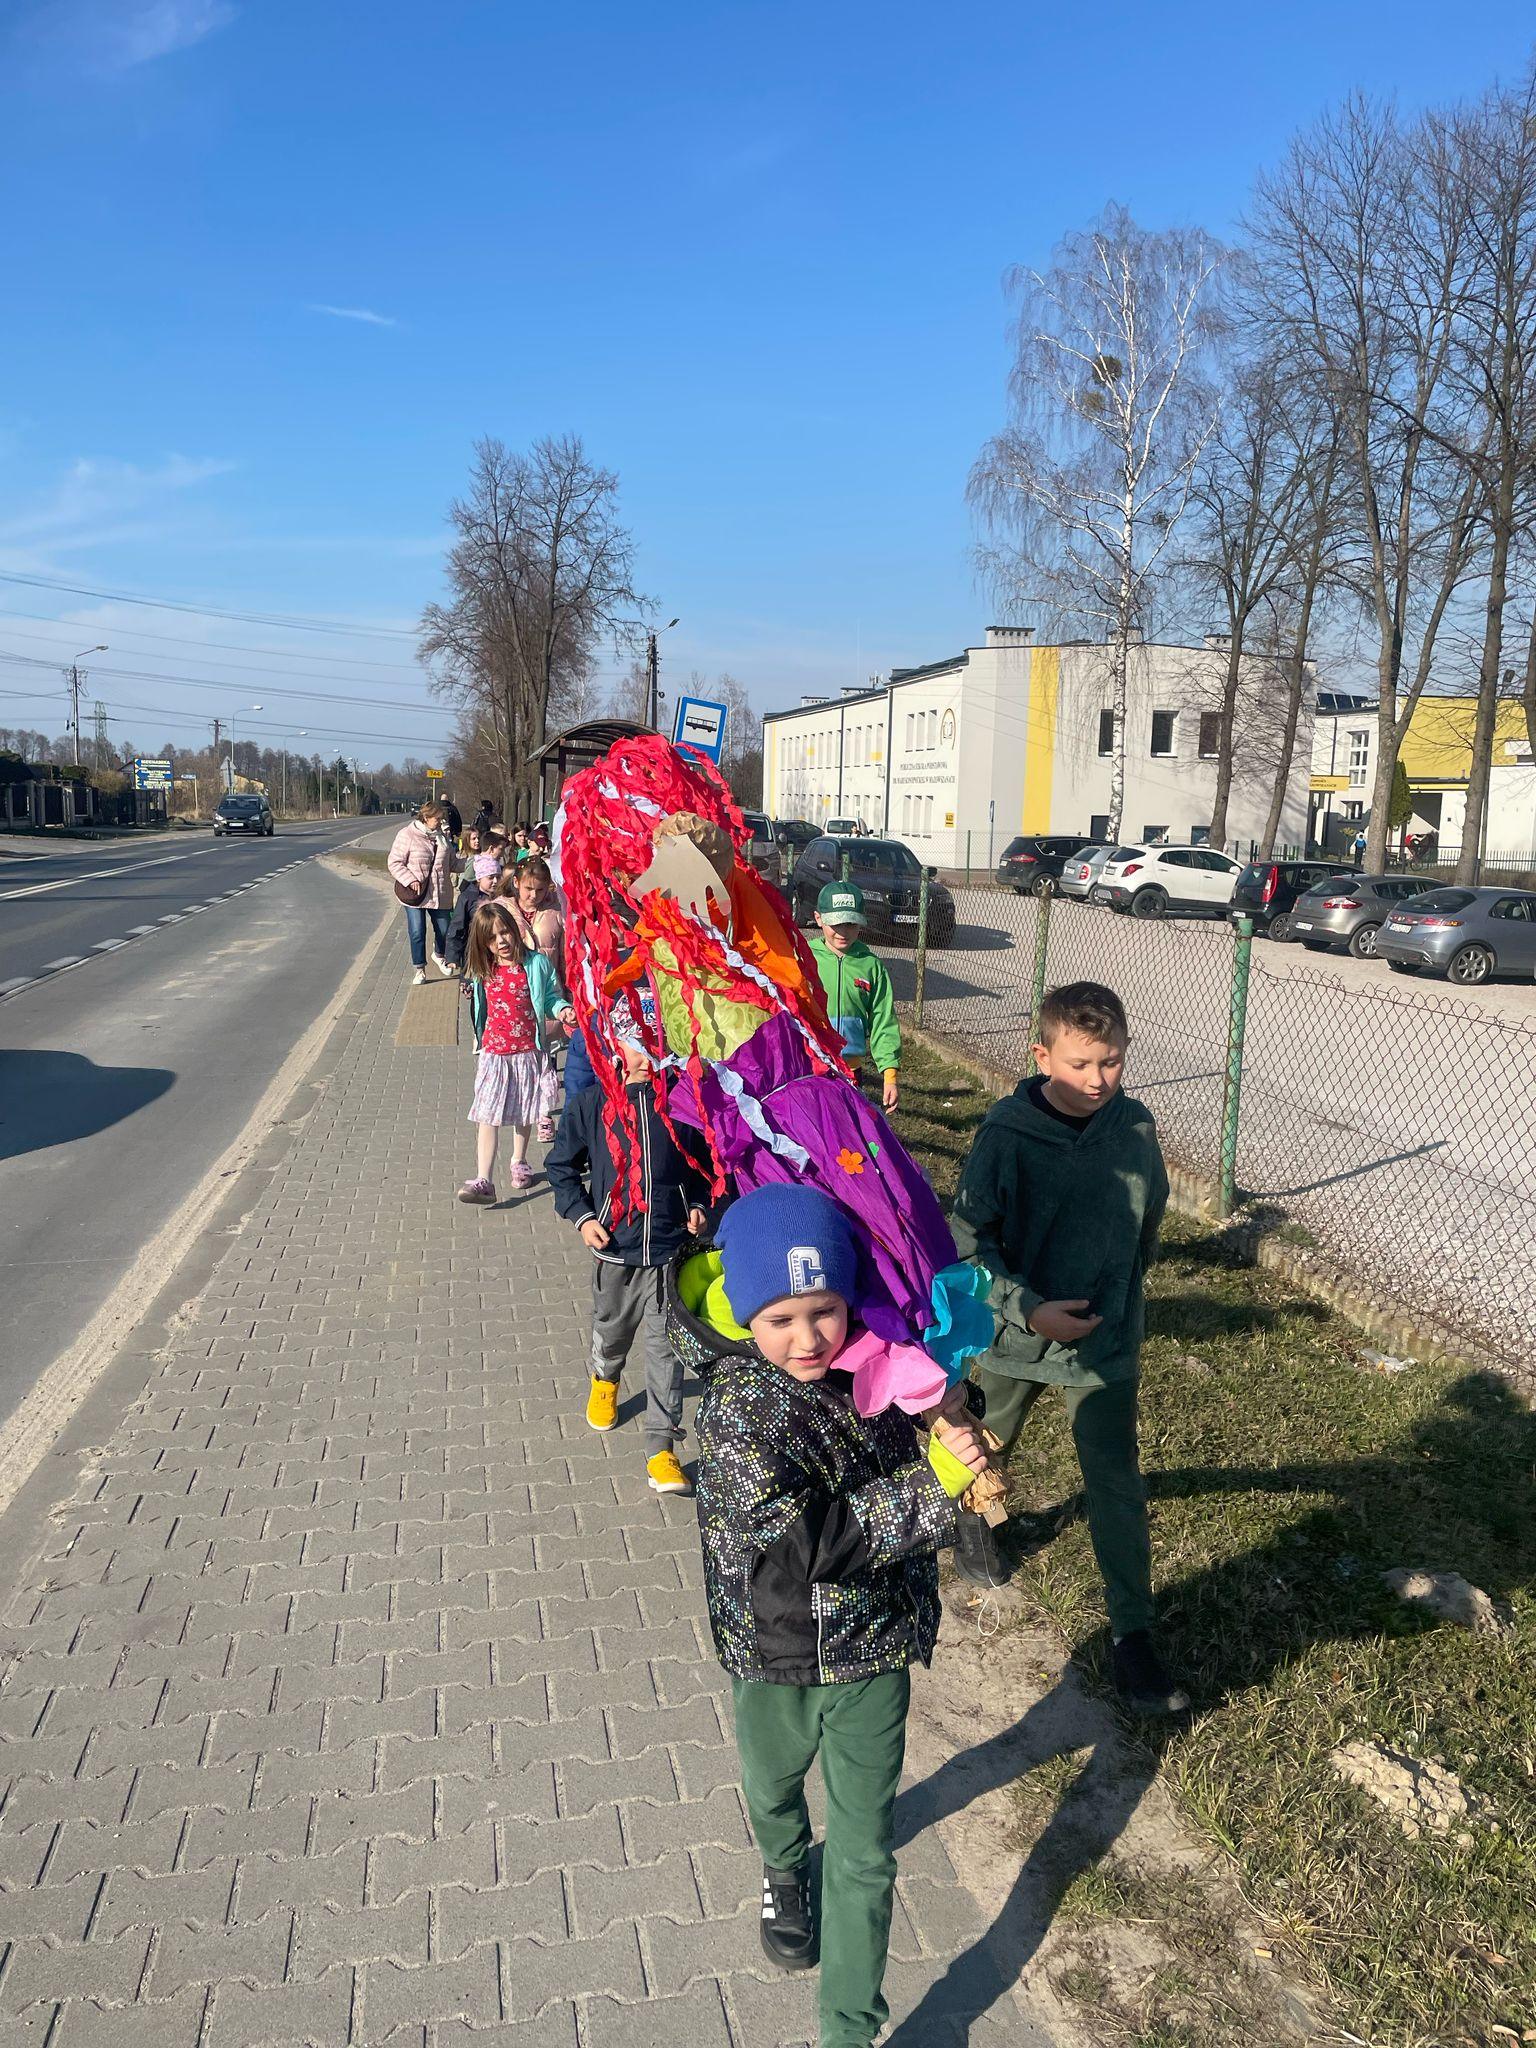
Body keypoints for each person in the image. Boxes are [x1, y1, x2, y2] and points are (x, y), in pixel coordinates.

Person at [682, 1184, 986, 2048]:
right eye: (780, 1318)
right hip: (777, 1650)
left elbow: (926, 1404)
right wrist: (933, 1486)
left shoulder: (877, 1359)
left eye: (824, 1310)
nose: (809, 1338)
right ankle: (783, 1869)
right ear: (747, 1313)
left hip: (873, 1649)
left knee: (865, 1851)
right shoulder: (737, 1411)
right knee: (772, 1786)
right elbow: (802, 1543)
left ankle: (848, 2029)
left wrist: (953, 1409)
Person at [950, 980, 1185, 1714]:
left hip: (1103, 1342)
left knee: (1115, 1479)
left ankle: (1133, 1635)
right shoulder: (1006, 1135)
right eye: (1080, 1063)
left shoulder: (1135, 1127)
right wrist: (1026, 1309)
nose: (1097, 1080)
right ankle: (969, 1520)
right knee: (981, 1445)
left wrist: (1119, 1293)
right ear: (1041, 1055)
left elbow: (1150, 1220)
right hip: (1016, 1337)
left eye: (1111, 1062)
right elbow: (968, 1242)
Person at [547, 996, 715, 1495]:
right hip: (615, 1251)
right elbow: (561, 1167)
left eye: (655, 1045)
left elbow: (705, 1167)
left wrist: (698, 1204)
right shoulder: (591, 1105)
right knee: (612, 1331)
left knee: (667, 1350)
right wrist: (582, 1217)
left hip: (668, 1252)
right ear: (616, 1047)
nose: (647, 1055)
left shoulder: (683, 1104)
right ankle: (605, 1378)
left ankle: (662, 1447)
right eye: (637, 1044)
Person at [458, 903, 575, 1203]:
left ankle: (519, 1160)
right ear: (483, 943)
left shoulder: (535, 964)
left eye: (505, 932)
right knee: (487, 1114)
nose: (501, 941)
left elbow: (551, 997)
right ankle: (484, 1179)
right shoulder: (484, 969)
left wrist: (562, 1010)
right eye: (492, 937)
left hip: (527, 1052)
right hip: (494, 1054)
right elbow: (479, 1005)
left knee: (525, 1110)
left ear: (515, 930)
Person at [809, 881, 900, 1110]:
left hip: (851, 1070)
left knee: (847, 1125)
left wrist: (889, 1075)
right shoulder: (804, 958)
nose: (843, 932)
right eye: (835, 923)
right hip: (809, 1065)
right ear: (819, 919)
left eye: (851, 923)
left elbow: (883, 1020)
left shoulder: (871, 966)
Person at [500, 857, 565, 1139]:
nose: (533, 896)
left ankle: (544, 1114)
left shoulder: (556, 911)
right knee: (524, 1060)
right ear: (516, 883)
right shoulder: (502, 910)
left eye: (539, 890)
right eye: (528, 889)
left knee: (547, 1058)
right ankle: (522, 1107)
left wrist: (567, 992)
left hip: (548, 994)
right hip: (514, 998)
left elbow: (565, 955)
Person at [388, 801, 460, 984]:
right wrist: (410, 879)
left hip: (440, 893)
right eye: (438, 818)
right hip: (415, 894)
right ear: (426, 818)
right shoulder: (407, 834)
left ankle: (439, 954)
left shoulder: (443, 837)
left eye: (442, 819)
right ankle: (419, 969)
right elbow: (394, 862)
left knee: (444, 930)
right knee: (417, 931)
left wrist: (476, 862)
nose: (441, 822)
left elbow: (452, 864)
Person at [444, 852, 503, 982]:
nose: (495, 881)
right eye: (490, 877)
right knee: (474, 984)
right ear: (479, 878)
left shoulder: (502, 897)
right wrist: (452, 956)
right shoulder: (467, 898)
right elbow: (457, 927)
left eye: (498, 877)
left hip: (498, 950)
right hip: (473, 951)